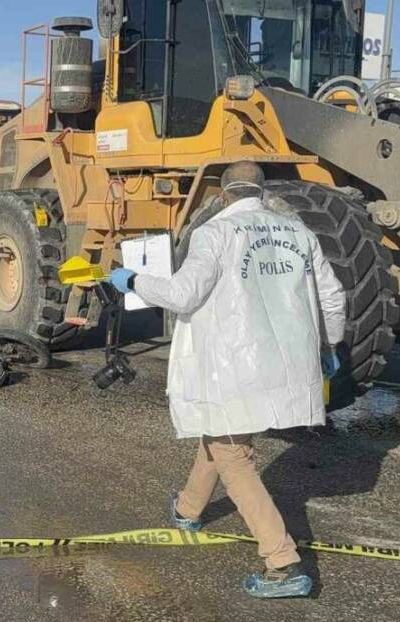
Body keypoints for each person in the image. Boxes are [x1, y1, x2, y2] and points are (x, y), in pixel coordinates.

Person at [108, 161, 346, 599]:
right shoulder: (298, 233)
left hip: (234, 364)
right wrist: (329, 347)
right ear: (262, 192)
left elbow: (183, 294)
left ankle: (282, 562)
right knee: (218, 438)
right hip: (285, 361)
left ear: (221, 195)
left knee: (233, 456)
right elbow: (332, 295)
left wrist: (133, 280)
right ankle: (187, 509)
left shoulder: (214, 232)